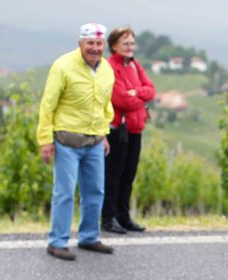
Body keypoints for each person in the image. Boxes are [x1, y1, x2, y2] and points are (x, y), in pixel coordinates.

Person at [37, 23, 115, 261]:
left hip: (94, 142)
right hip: (66, 142)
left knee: (95, 191)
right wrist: (45, 141)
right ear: (80, 43)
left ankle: (89, 237)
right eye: (90, 43)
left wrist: (103, 135)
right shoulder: (62, 66)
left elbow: (104, 105)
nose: (95, 48)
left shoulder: (106, 70)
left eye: (99, 44)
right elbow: (47, 105)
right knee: (65, 193)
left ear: (104, 46)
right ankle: (57, 242)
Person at [101, 26, 156, 234]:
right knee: (114, 174)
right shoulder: (109, 67)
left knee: (129, 174)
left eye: (132, 43)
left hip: (134, 128)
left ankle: (123, 216)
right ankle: (108, 217)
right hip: (118, 129)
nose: (130, 47)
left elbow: (151, 90)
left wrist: (137, 93)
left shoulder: (134, 65)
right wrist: (139, 100)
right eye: (125, 43)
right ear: (114, 45)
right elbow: (120, 98)